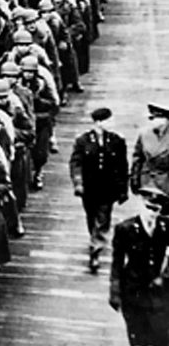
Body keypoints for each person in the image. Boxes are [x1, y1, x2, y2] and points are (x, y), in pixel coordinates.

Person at [69, 107, 128, 273]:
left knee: (103, 217)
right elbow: (76, 163)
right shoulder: (83, 141)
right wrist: (78, 183)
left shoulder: (117, 141)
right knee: (91, 216)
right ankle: (95, 238)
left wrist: (123, 189)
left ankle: (95, 250)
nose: (112, 123)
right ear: (99, 123)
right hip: (89, 188)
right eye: (109, 120)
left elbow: (122, 166)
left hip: (108, 188)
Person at [109, 186, 169, 346]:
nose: (152, 213)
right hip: (134, 291)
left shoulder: (165, 228)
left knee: (162, 337)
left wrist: (165, 275)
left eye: (156, 210)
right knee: (138, 337)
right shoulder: (125, 229)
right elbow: (117, 262)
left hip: (160, 293)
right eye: (149, 208)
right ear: (141, 205)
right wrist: (115, 291)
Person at [131, 103, 169, 198]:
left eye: (154, 119)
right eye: (150, 119)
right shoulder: (144, 134)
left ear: (165, 120)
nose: (151, 122)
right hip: (148, 184)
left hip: (166, 183)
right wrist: (135, 179)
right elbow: (138, 158)